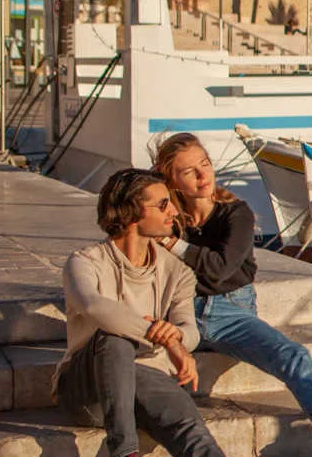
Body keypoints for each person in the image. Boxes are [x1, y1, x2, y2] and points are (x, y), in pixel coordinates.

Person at [152, 134, 312, 456]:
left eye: (205, 164)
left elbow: (220, 269)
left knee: (294, 355)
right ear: (171, 179)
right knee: (160, 380)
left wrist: (174, 245)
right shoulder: (171, 218)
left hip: (231, 314)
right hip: (179, 311)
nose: (203, 176)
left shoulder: (235, 214)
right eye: (189, 172)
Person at [58, 168, 223, 457]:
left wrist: (179, 336)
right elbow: (95, 307)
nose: (174, 210)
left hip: (148, 379)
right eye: (162, 204)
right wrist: (166, 341)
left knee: (193, 433)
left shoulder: (178, 271)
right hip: (87, 390)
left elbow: (189, 330)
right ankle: (123, 451)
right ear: (131, 211)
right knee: (114, 339)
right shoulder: (84, 263)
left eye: (170, 201)